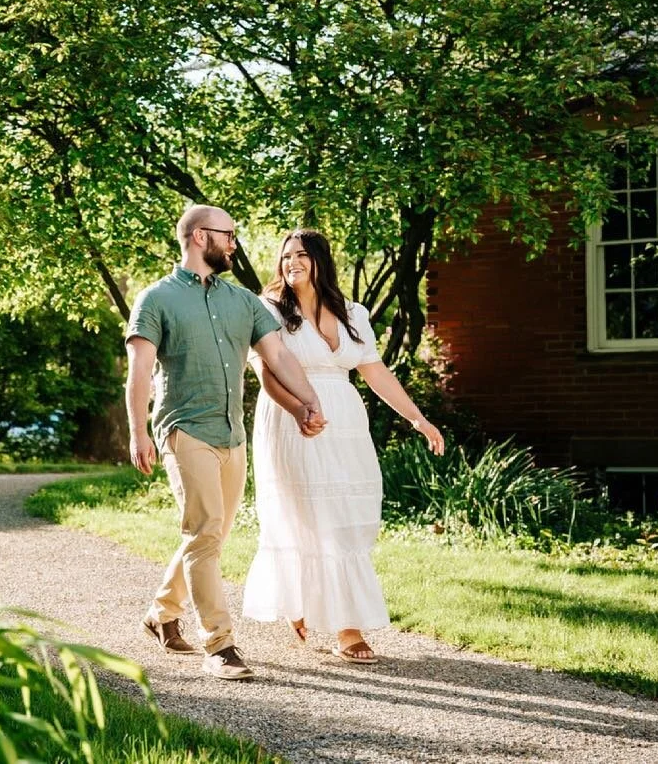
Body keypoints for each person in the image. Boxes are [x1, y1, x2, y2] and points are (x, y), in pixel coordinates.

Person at [126, 205, 327, 681]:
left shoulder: (243, 301)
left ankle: (161, 613)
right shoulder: (156, 299)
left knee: (210, 533)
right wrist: (137, 431)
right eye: (228, 235)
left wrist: (310, 401)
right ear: (199, 237)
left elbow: (278, 355)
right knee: (206, 530)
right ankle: (220, 643)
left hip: (231, 432)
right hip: (184, 428)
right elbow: (138, 373)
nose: (235, 243)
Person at [243, 228, 444, 664]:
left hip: (347, 422)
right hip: (292, 418)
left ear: (320, 261)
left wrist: (417, 418)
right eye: (285, 256)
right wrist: (301, 411)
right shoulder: (269, 308)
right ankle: (344, 626)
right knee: (307, 512)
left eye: (300, 255)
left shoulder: (353, 312)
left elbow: (375, 371)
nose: (291, 262)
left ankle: (311, 604)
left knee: (349, 515)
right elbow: (265, 372)